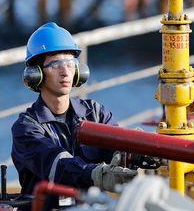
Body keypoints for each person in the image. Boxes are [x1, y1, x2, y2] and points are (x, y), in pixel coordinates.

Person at [11, 22, 139, 195]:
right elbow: (58, 166)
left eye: (70, 63)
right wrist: (97, 174)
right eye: (55, 64)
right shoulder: (26, 128)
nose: (65, 72)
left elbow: (119, 145)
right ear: (36, 74)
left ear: (78, 70)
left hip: (92, 209)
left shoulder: (94, 113)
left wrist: (135, 150)